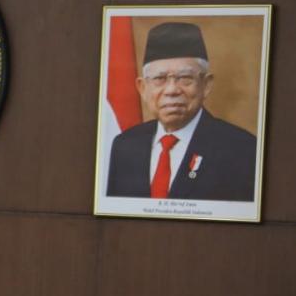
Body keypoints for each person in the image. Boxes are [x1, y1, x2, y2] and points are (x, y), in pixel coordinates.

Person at [107, 21, 257, 201]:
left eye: (185, 78)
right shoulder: (124, 145)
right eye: (160, 79)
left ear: (206, 85)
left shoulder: (242, 150)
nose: (171, 90)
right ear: (143, 88)